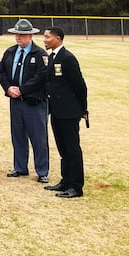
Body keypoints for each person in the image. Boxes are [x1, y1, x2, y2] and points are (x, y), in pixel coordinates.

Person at [0, 18, 50, 183]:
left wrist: (22, 89)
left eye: (22, 35)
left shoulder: (40, 54)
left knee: (38, 137)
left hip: (33, 102)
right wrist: (8, 88)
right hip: (16, 102)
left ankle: (42, 171)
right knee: (18, 136)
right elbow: (2, 73)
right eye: (16, 34)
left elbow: (41, 76)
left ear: (30, 36)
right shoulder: (10, 52)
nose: (18, 38)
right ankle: (20, 167)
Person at [43, 26, 88, 198]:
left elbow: (80, 85)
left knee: (72, 149)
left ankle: (75, 186)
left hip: (69, 112)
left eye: (48, 37)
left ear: (58, 39)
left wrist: (83, 109)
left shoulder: (68, 58)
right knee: (63, 148)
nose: (45, 40)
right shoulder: (53, 56)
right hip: (56, 111)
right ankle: (66, 180)